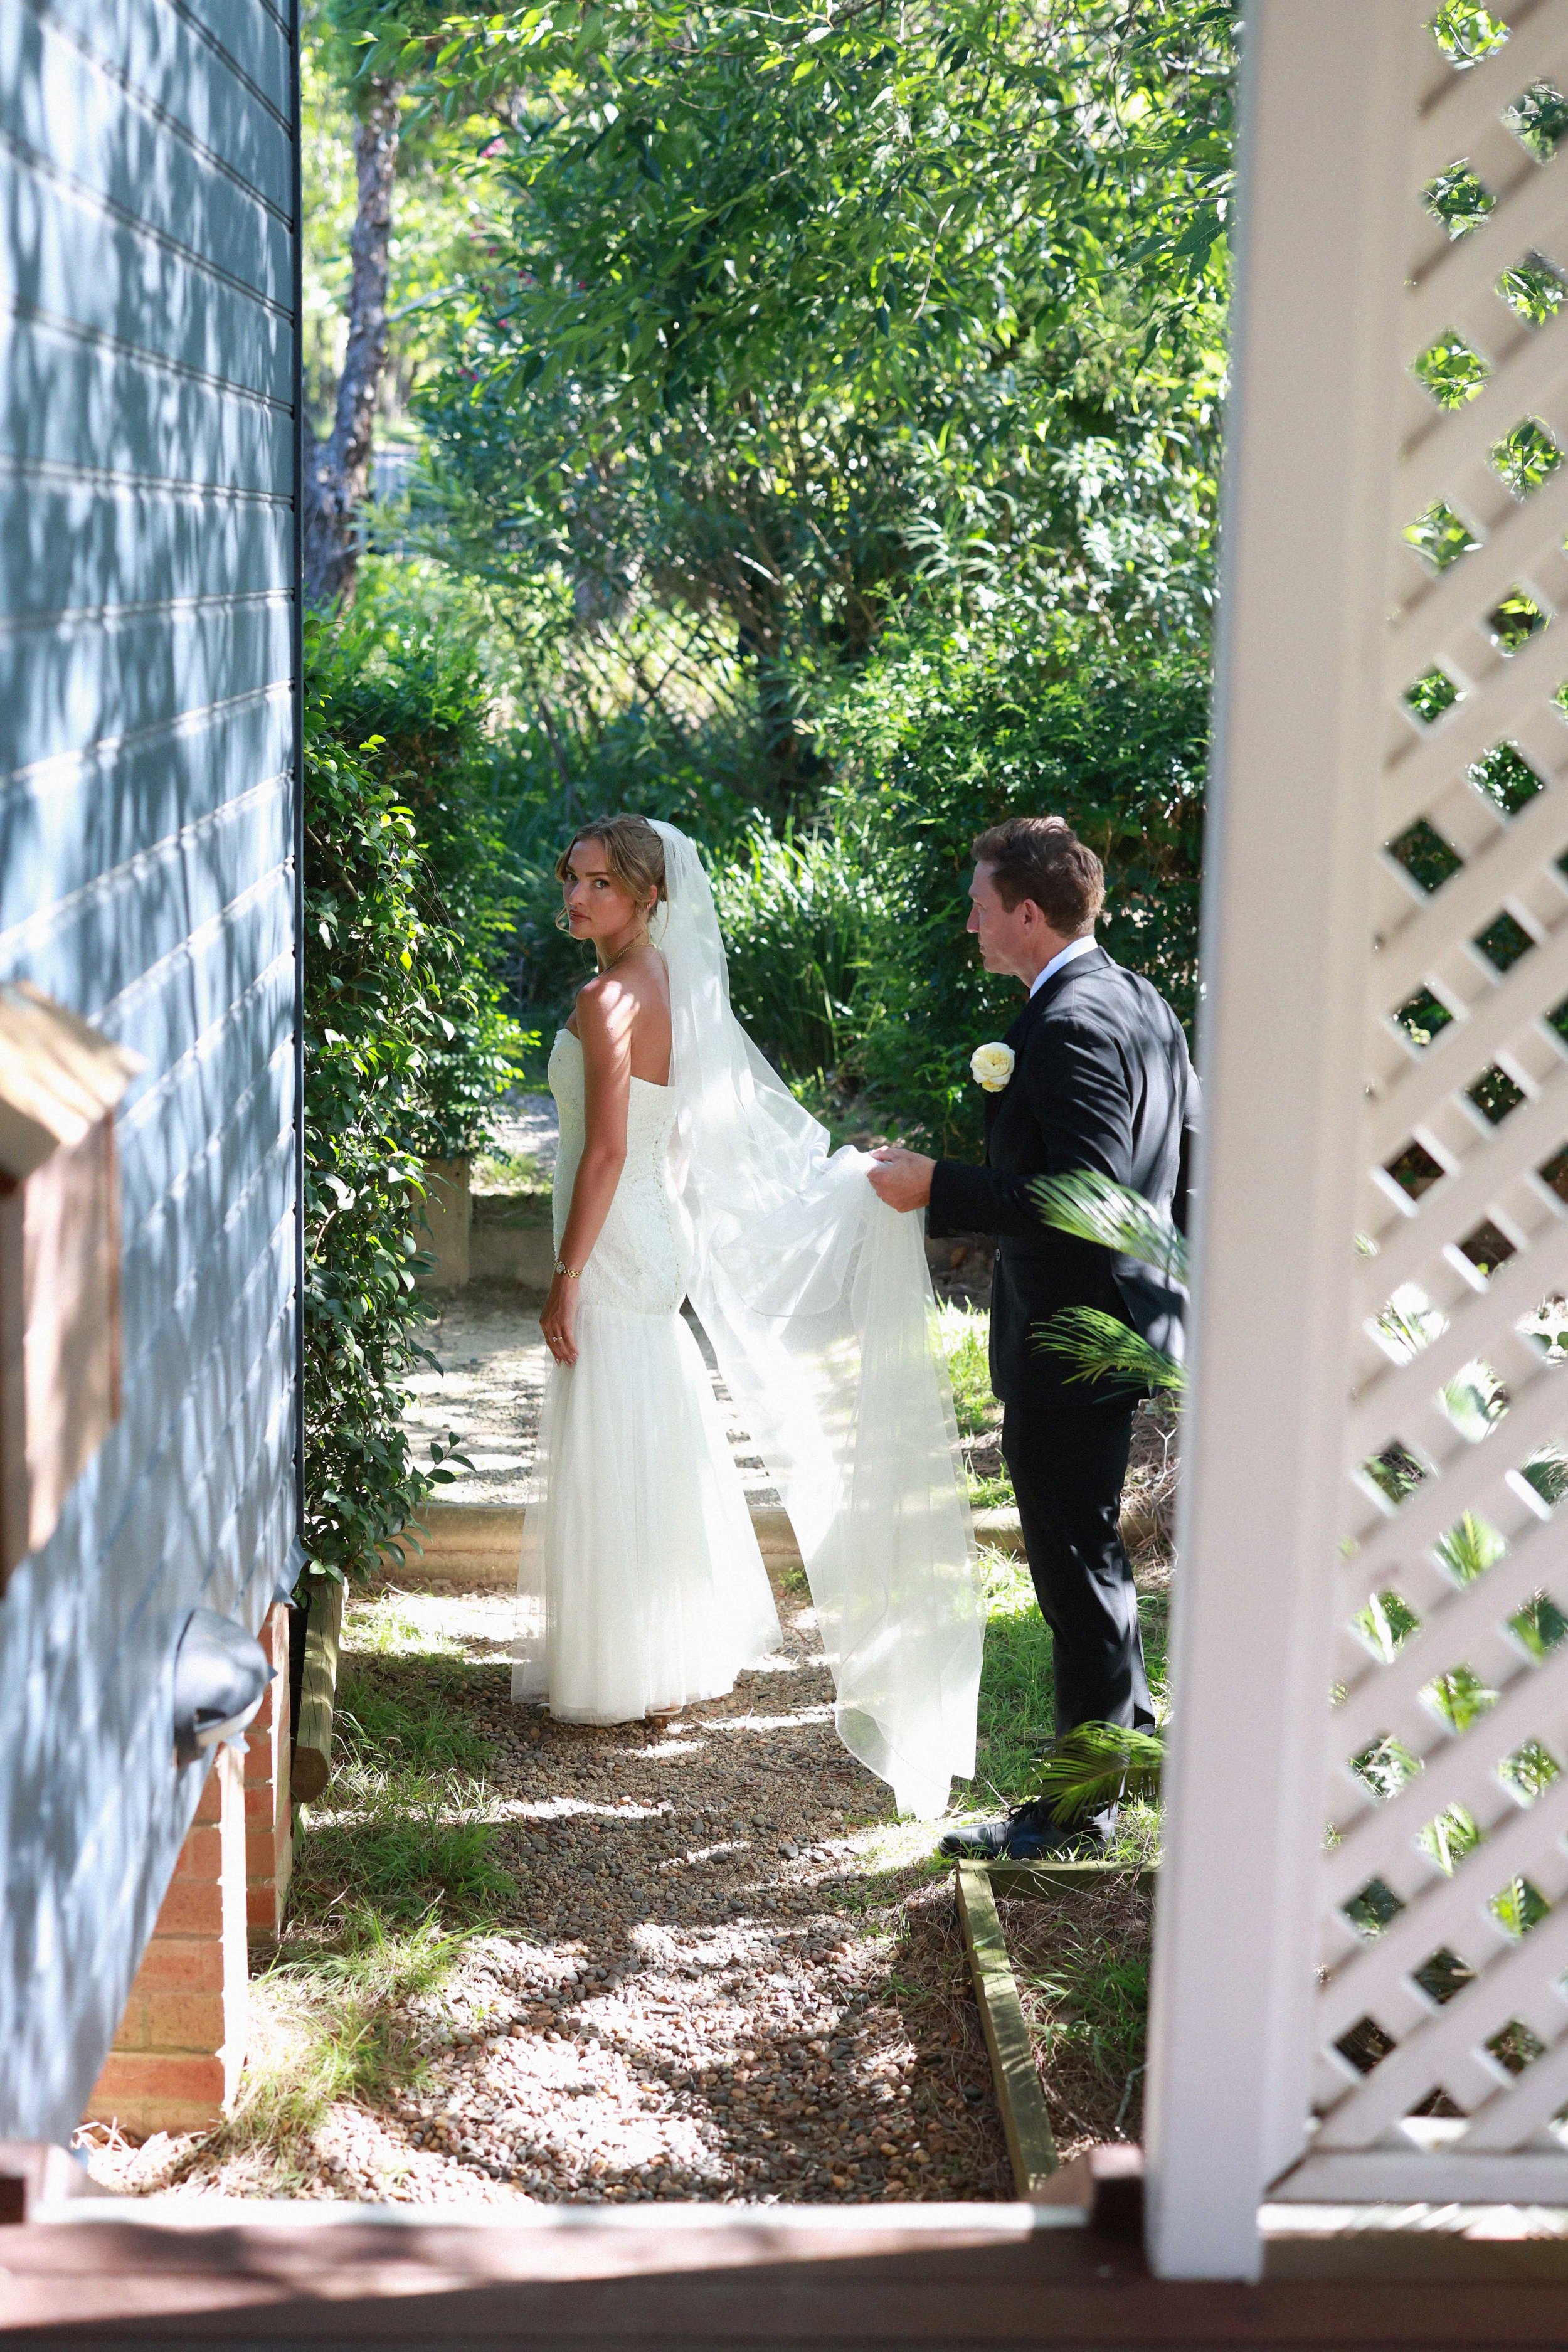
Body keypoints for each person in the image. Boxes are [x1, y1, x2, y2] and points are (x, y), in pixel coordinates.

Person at [512, 815, 983, 1821]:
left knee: (613, 1404)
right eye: (573, 878)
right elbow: (676, 1132)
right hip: (656, 1220)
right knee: (649, 1405)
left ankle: (624, 1661)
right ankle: (667, 1647)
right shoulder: (681, 991)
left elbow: (601, 1153)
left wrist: (565, 1272)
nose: (578, 897)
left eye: (599, 883)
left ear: (647, 897)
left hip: (615, 1226)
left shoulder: (605, 999)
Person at [869, 816, 1197, 1861]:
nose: (968, 921)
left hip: (1075, 1334)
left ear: (1024, 911)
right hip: (1120, 1318)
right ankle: (1126, 1742)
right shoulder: (1135, 997)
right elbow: (1186, 1150)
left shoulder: (1068, 1025)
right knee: (1087, 1547)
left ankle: (1074, 1811)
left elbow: (1091, 1195)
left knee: (1072, 1562)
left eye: (978, 903)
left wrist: (939, 1186)